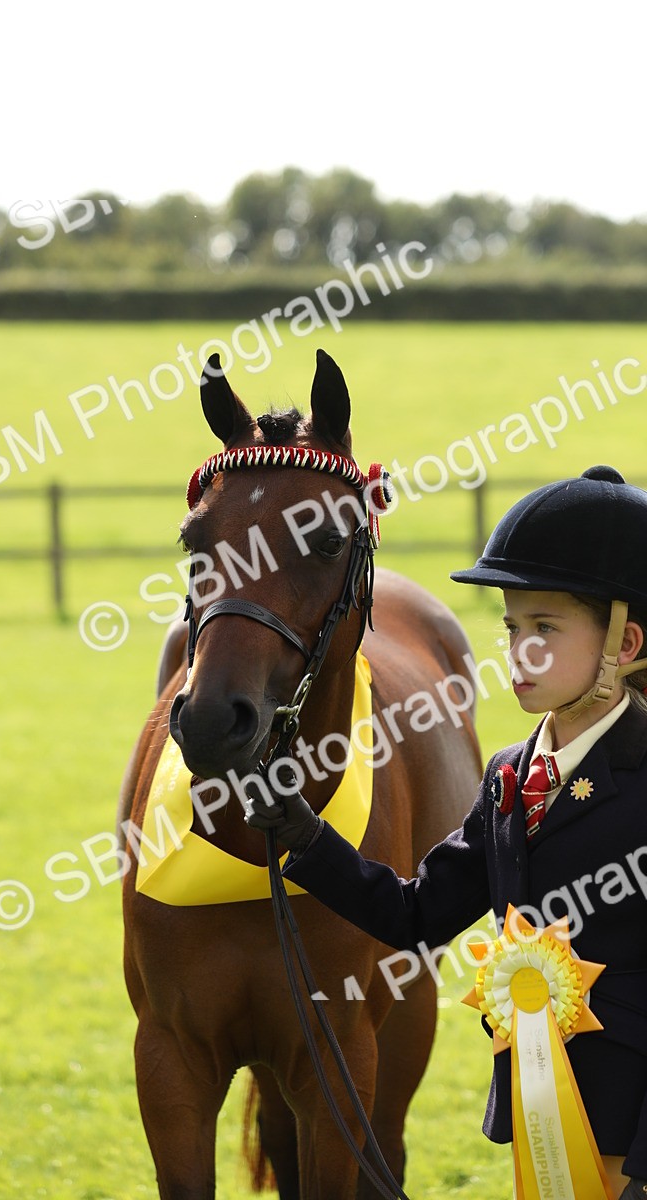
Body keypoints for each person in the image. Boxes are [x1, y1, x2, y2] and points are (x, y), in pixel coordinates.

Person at [246, 465, 647, 1199]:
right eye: (513, 628)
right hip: (542, 1108)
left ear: (624, 644)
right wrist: (307, 839)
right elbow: (418, 916)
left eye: (546, 629)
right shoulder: (507, 777)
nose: (517, 652)